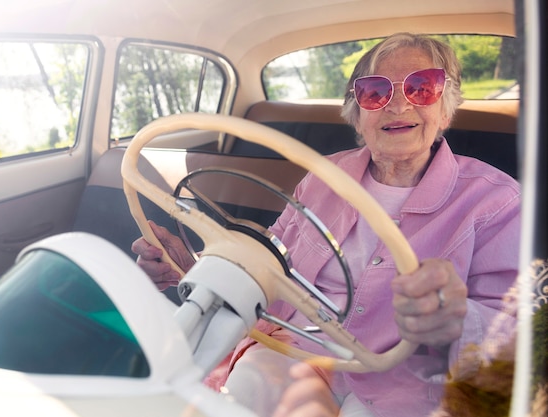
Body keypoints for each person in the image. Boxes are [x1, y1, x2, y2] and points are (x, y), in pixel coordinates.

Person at [131, 32, 521, 417]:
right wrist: (195, 266)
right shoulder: (323, 176)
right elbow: (269, 263)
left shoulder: (496, 201)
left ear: (447, 109)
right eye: (375, 92)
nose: (399, 106)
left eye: (422, 88)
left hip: (409, 376)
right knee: (243, 394)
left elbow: (518, 333)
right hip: (295, 349)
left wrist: (458, 318)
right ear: (357, 114)